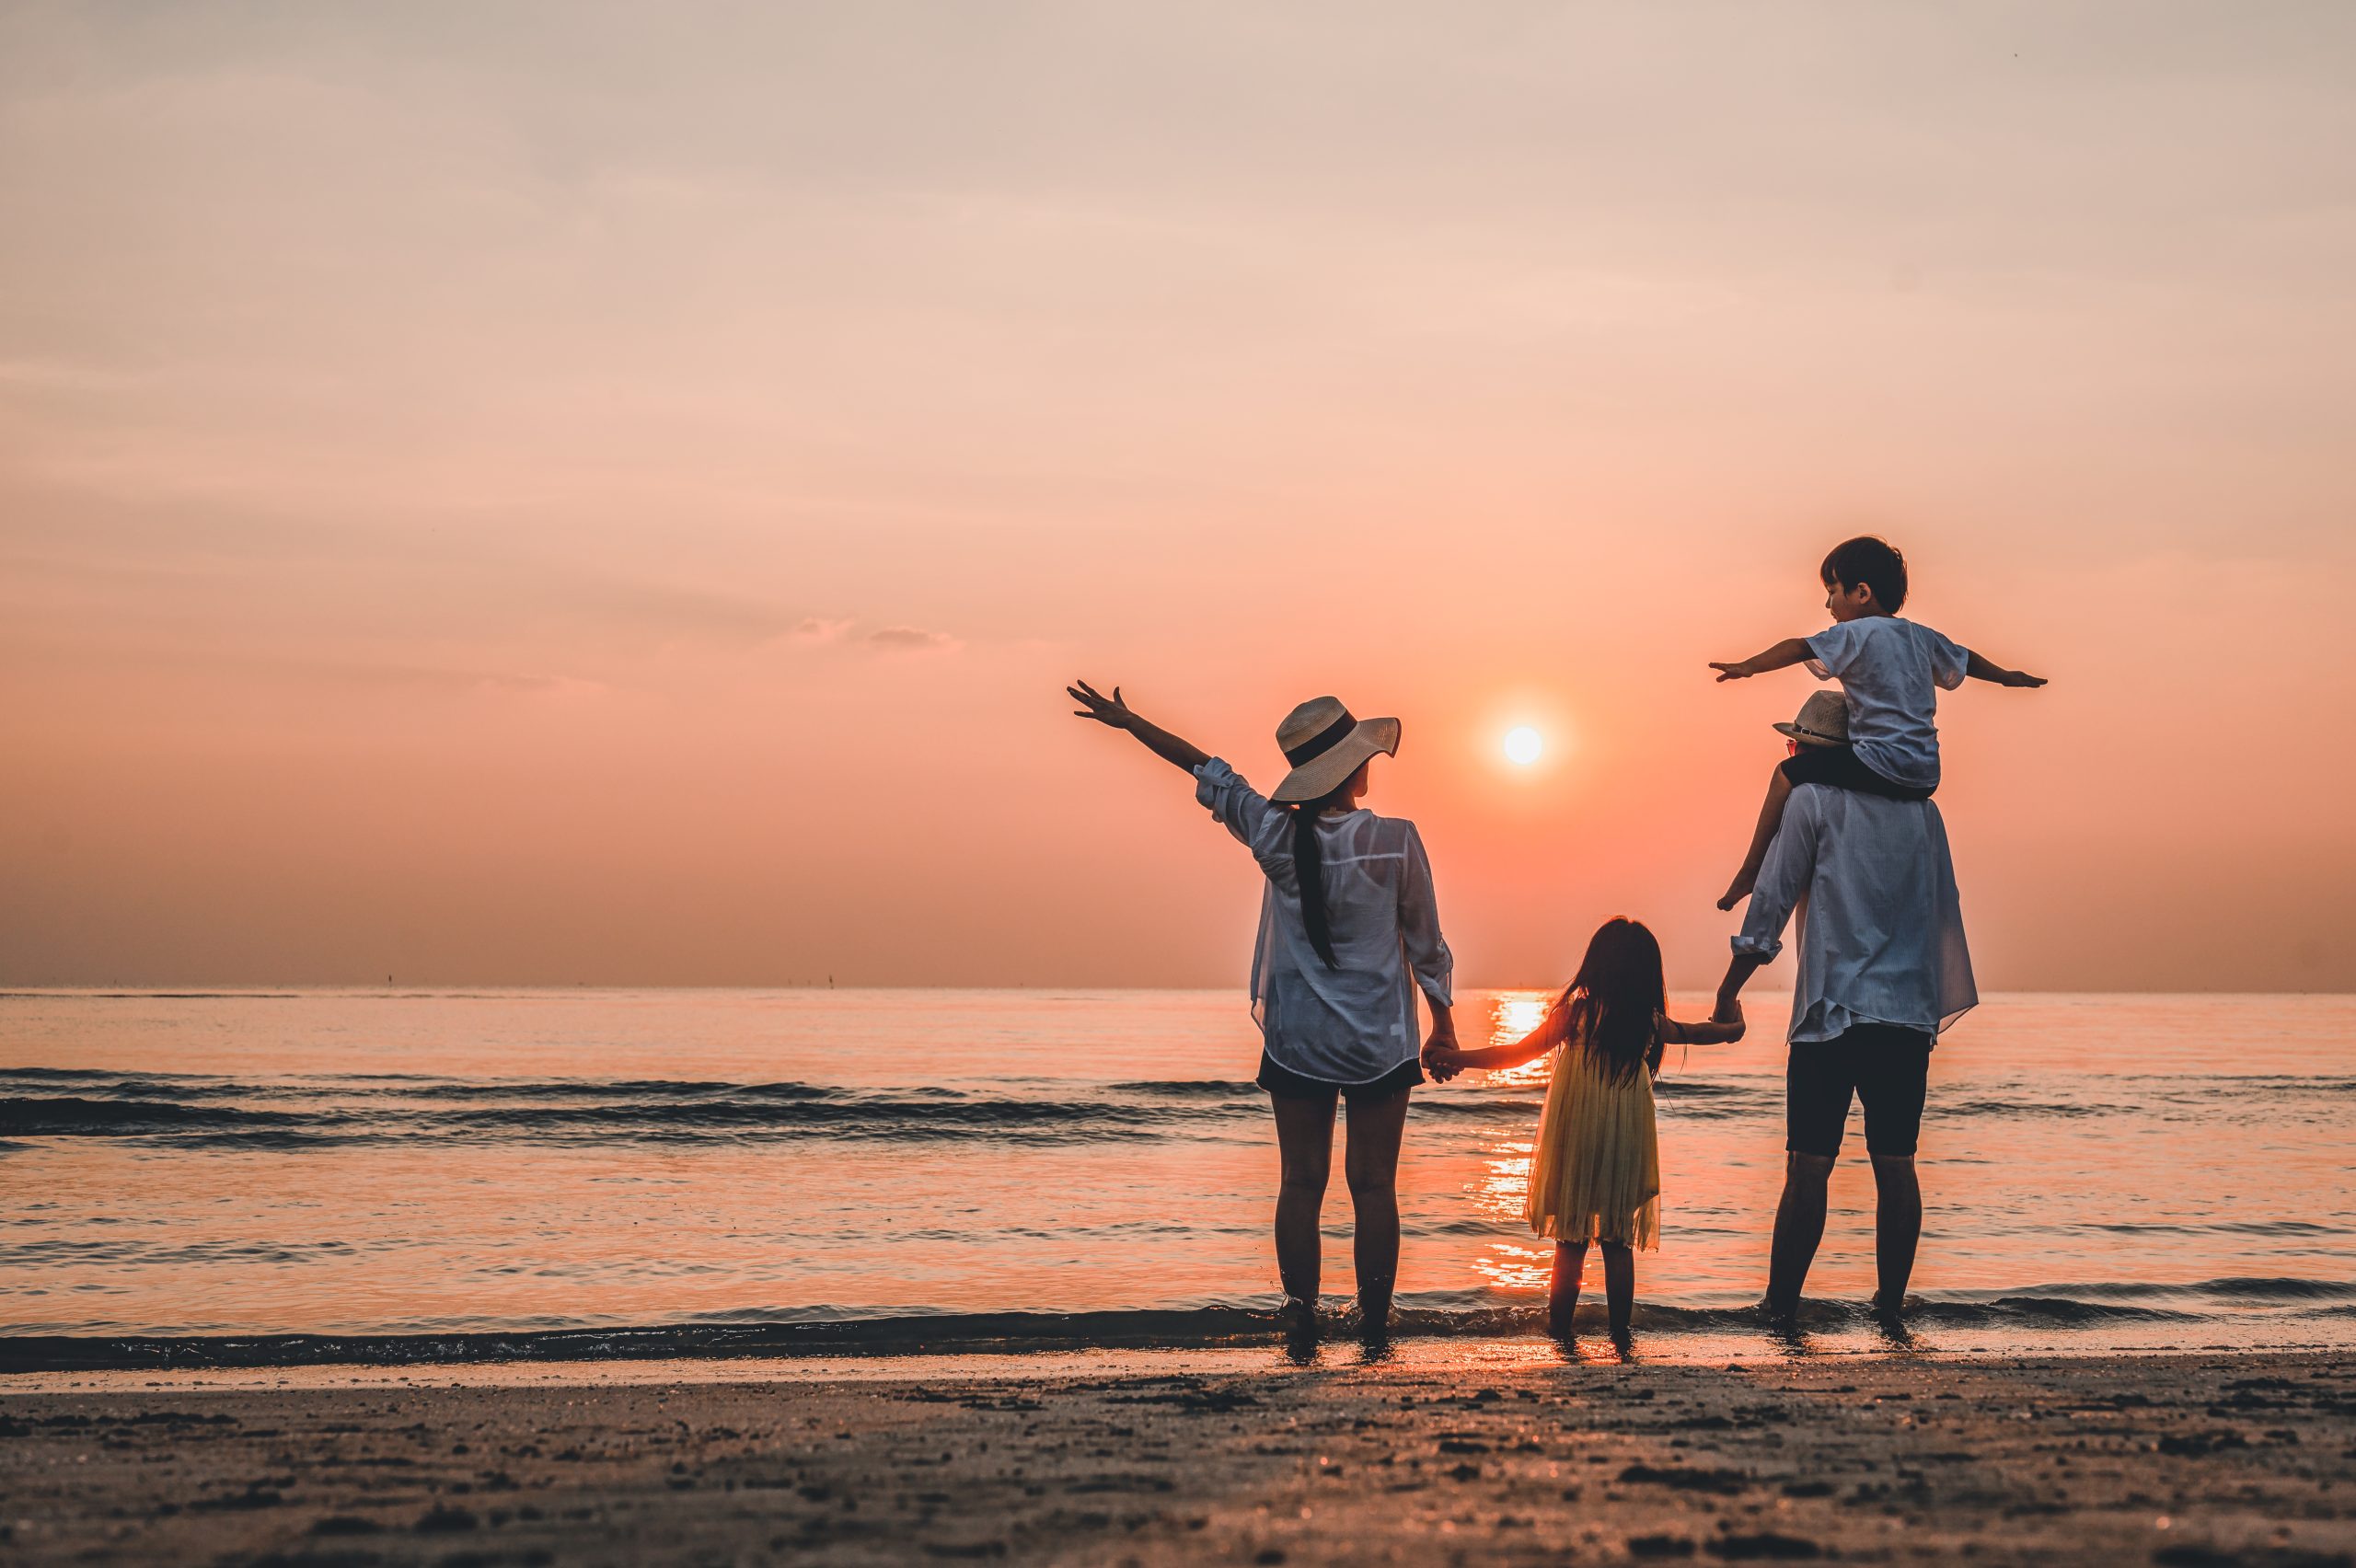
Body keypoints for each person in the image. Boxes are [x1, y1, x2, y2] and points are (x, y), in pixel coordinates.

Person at [1066, 681, 1457, 1337]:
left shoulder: (1275, 833)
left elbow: (1202, 766)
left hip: (1299, 1039)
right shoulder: (1396, 840)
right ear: (1354, 768)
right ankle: (1374, 1321)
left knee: (1300, 1185)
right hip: (1380, 1040)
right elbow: (1426, 944)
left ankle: (1301, 1315)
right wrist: (1443, 1025)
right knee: (1374, 1188)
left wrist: (1132, 721)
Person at [1713, 693, 1981, 1323]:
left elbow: (1770, 904)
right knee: (1896, 1164)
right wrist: (1926, 1001)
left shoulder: (1810, 802)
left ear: (1808, 752)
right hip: (1905, 1014)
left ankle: (1781, 1307)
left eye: (1793, 747)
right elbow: (1941, 907)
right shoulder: (1924, 816)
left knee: (1808, 1165)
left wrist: (1729, 991)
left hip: (1831, 1011)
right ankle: (1890, 1307)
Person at [1425, 918, 1744, 1343]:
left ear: (1596, 966)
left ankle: (1559, 1332)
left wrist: (1457, 1058)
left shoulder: (1574, 1015)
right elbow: (1704, 1033)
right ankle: (1620, 1335)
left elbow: (1514, 1055)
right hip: (1625, 1137)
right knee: (1617, 1239)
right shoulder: (1647, 1023)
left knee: (1571, 1239)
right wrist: (1734, 1028)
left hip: (1575, 1133)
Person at [1710, 535, 2045, 910]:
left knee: (1786, 772)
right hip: (1925, 774)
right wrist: (2006, 676)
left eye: (1833, 591)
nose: (1828, 603)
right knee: (1841, 751)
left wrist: (1750, 666)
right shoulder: (1921, 636)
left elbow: (1800, 646)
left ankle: (1750, 870)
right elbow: (1965, 658)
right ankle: (1754, 870)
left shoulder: (1854, 634)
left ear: (1862, 592)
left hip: (1880, 764)